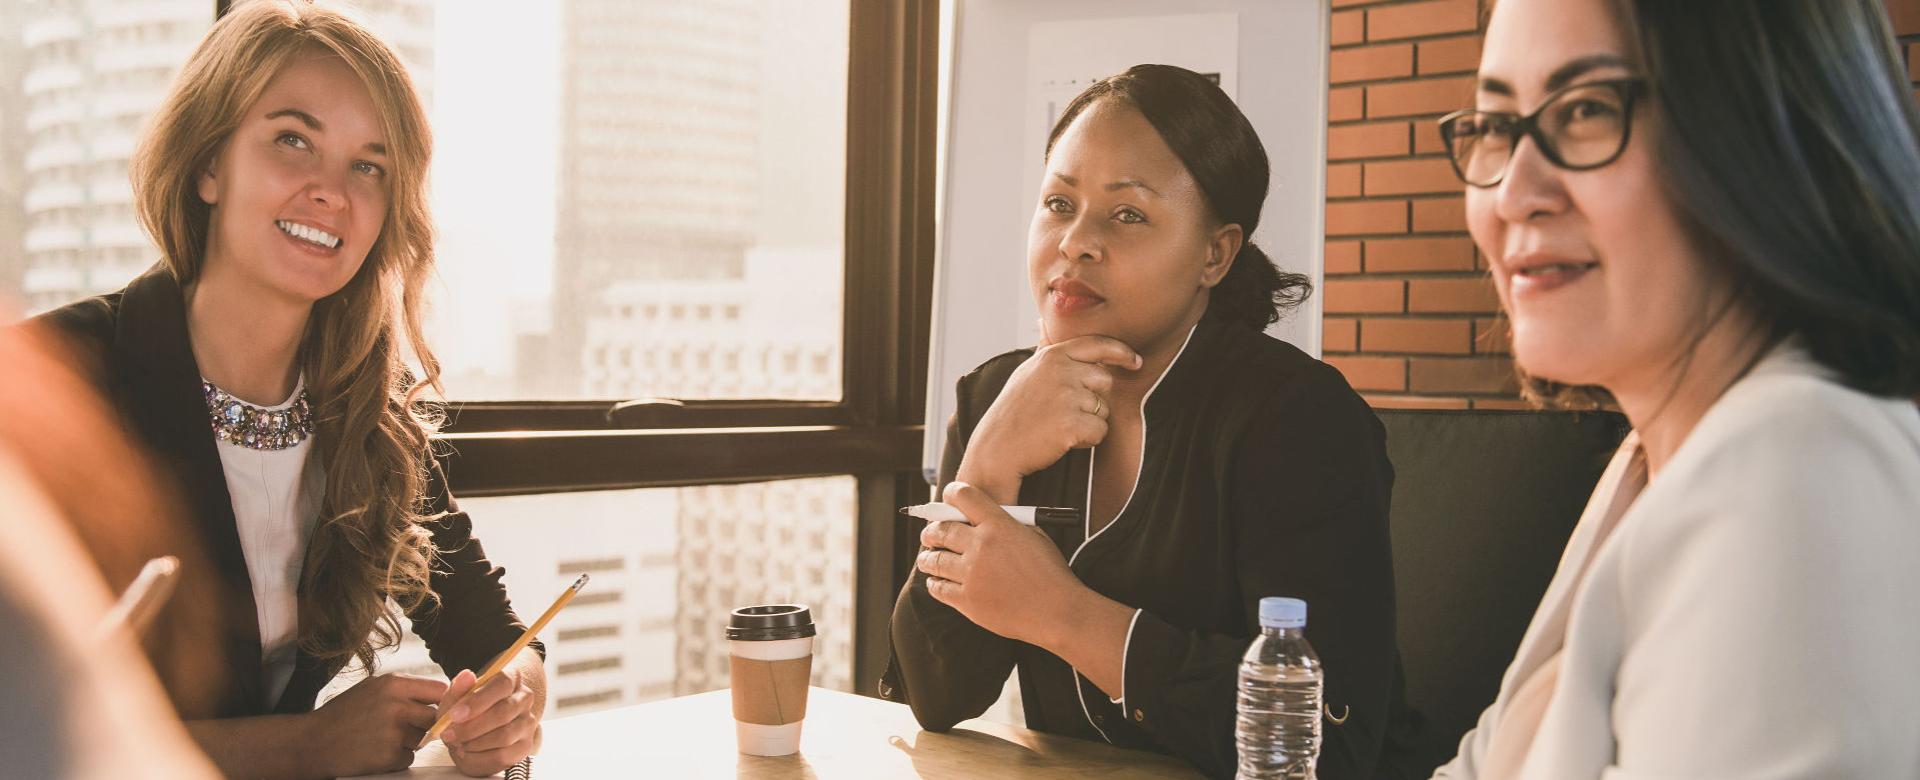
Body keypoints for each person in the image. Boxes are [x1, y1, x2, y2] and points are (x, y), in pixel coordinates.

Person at [32, 2, 544, 776]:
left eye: (368, 165)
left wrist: (508, 704)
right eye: (292, 140)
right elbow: (29, 728)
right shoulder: (54, 377)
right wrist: (300, 747)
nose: (330, 191)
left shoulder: (369, 404)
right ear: (209, 165)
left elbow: (496, 638)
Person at [885, 64, 1428, 779]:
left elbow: (1331, 742)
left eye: (1128, 214)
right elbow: (935, 694)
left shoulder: (1298, 418)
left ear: (1215, 254)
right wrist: (985, 469)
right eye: (1058, 203)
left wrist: (1064, 616)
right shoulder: (998, 396)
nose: (1076, 242)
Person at [1430, 0, 1920, 776]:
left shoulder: (1796, 461)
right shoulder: (1652, 459)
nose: (1513, 193)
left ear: (1763, 133)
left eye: (1585, 110)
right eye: (1495, 125)